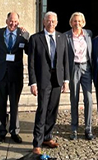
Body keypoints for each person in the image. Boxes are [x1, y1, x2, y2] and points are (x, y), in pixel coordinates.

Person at [28, 11, 70, 156]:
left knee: (53, 109)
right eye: (48, 21)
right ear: (43, 22)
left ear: (57, 22)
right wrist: (32, 82)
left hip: (57, 79)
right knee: (42, 110)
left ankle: (47, 137)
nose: (51, 23)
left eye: (53, 21)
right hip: (42, 80)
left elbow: (66, 60)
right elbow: (31, 63)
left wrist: (66, 80)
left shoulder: (62, 37)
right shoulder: (35, 38)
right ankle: (37, 143)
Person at [0, 12, 29, 144]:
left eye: (15, 22)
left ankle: (15, 131)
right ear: (6, 20)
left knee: (14, 105)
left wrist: (27, 37)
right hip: (0, 75)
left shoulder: (23, 35)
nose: (13, 24)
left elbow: (30, 51)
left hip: (15, 76)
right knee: (0, 104)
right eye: (11, 21)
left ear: (18, 22)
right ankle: (1, 131)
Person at [65, 12, 94, 140]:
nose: (77, 23)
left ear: (83, 22)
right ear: (71, 22)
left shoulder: (88, 34)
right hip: (74, 68)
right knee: (74, 98)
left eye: (79, 21)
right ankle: (74, 128)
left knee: (89, 98)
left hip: (86, 67)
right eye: (75, 21)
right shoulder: (66, 36)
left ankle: (88, 128)